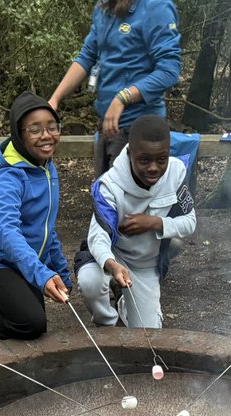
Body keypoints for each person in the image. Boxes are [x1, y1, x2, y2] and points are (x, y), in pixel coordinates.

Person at [0, 91, 72, 343]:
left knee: (32, 327)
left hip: (24, 261)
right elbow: (6, 232)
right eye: (34, 130)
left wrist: (60, 270)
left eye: (52, 127)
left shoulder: (46, 166)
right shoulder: (7, 177)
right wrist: (41, 274)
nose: (46, 136)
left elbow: (46, 226)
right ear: (19, 134)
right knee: (31, 323)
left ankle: (4, 306)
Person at [75, 114, 195, 328]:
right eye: (144, 160)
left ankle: (125, 304)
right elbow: (98, 236)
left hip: (144, 264)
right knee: (90, 282)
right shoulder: (109, 186)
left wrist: (154, 222)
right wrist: (112, 265)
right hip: (112, 255)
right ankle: (106, 323)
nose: (153, 168)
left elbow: (189, 222)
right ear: (130, 153)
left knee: (148, 335)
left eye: (161, 159)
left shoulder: (176, 172)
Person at [48, 0, 182, 176]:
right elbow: (87, 56)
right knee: (106, 198)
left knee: (130, 200)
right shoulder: (103, 7)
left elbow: (169, 70)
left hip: (139, 131)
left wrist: (123, 98)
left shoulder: (156, 7)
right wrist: (54, 100)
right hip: (107, 127)